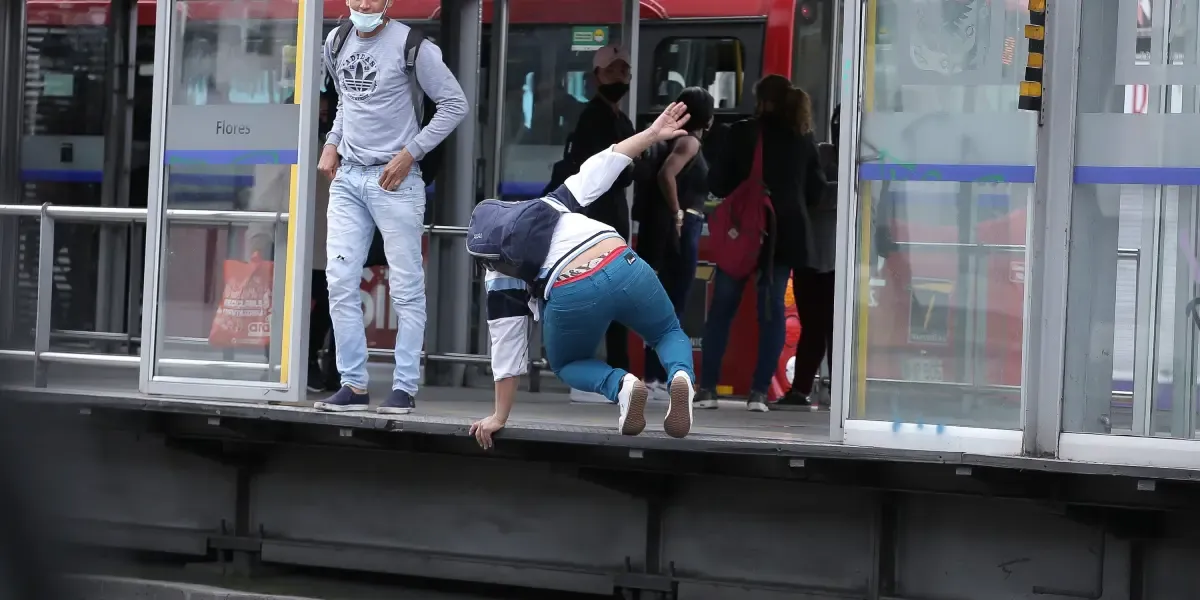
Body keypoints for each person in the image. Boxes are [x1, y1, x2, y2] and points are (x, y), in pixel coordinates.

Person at [467, 103, 697, 450]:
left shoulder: (499, 271)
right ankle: (681, 376)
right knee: (666, 331)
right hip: (620, 260)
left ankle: (622, 386)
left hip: (571, 287)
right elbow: (605, 163)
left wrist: (499, 416)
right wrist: (652, 134)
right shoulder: (549, 204)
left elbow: (507, 350)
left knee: (568, 363)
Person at [314, 0, 468, 414]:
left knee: (406, 287)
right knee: (339, 281)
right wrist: (332, 142)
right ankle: (353, 384)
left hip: (395, 179)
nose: (365, 3)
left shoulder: (414, 45)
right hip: (348, 177)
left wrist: (411, 153)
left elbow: (455, 104)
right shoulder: (336, 40)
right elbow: (347, 101)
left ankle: (403, 387)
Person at [696, 77, 833, 413]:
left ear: (760, 100)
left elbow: (718, 182)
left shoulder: (742, 133)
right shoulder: (803, 138)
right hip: (783, 239)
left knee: (722, 310)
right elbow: (815, 192)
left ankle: (707, 389)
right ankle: (759, 393)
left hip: (743, 235)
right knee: (771, 314)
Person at [245, 89, 339, 393]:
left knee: (327, 299)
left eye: (326, 114)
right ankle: (283, 364)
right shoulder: (283, 145)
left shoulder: (328, 144)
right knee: (286, 304)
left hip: (321, 239)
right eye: (318, 113)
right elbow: (264, 196)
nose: (322, 119)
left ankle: (304, 359)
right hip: (287, 238)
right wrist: (258, 240)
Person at [557, 43, 637, 380]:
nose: (619, 76)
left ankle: (619, 368)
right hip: (595, 217)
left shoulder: (622, 120)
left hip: (614, 215)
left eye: (624, 70)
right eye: (612, 70)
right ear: (597, 76)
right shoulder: (593, 118)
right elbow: (611, 170)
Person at [633, 87, 714, 401]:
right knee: (674, 304)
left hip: (665, 229)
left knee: (662, 304)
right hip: (682, 227)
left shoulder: (670, 139)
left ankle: (654, 376)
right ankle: (662, 378)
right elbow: (668, 174)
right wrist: (678, 212)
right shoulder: (690, 142)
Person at [779, 102, 840, 409]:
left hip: (839, 259)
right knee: (813, 326)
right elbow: (811, 194)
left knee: (835, 329)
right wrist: (849, 187)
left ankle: (837, 393)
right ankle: (801, 389)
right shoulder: (820, 153)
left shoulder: (863, 162)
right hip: (812, 254)